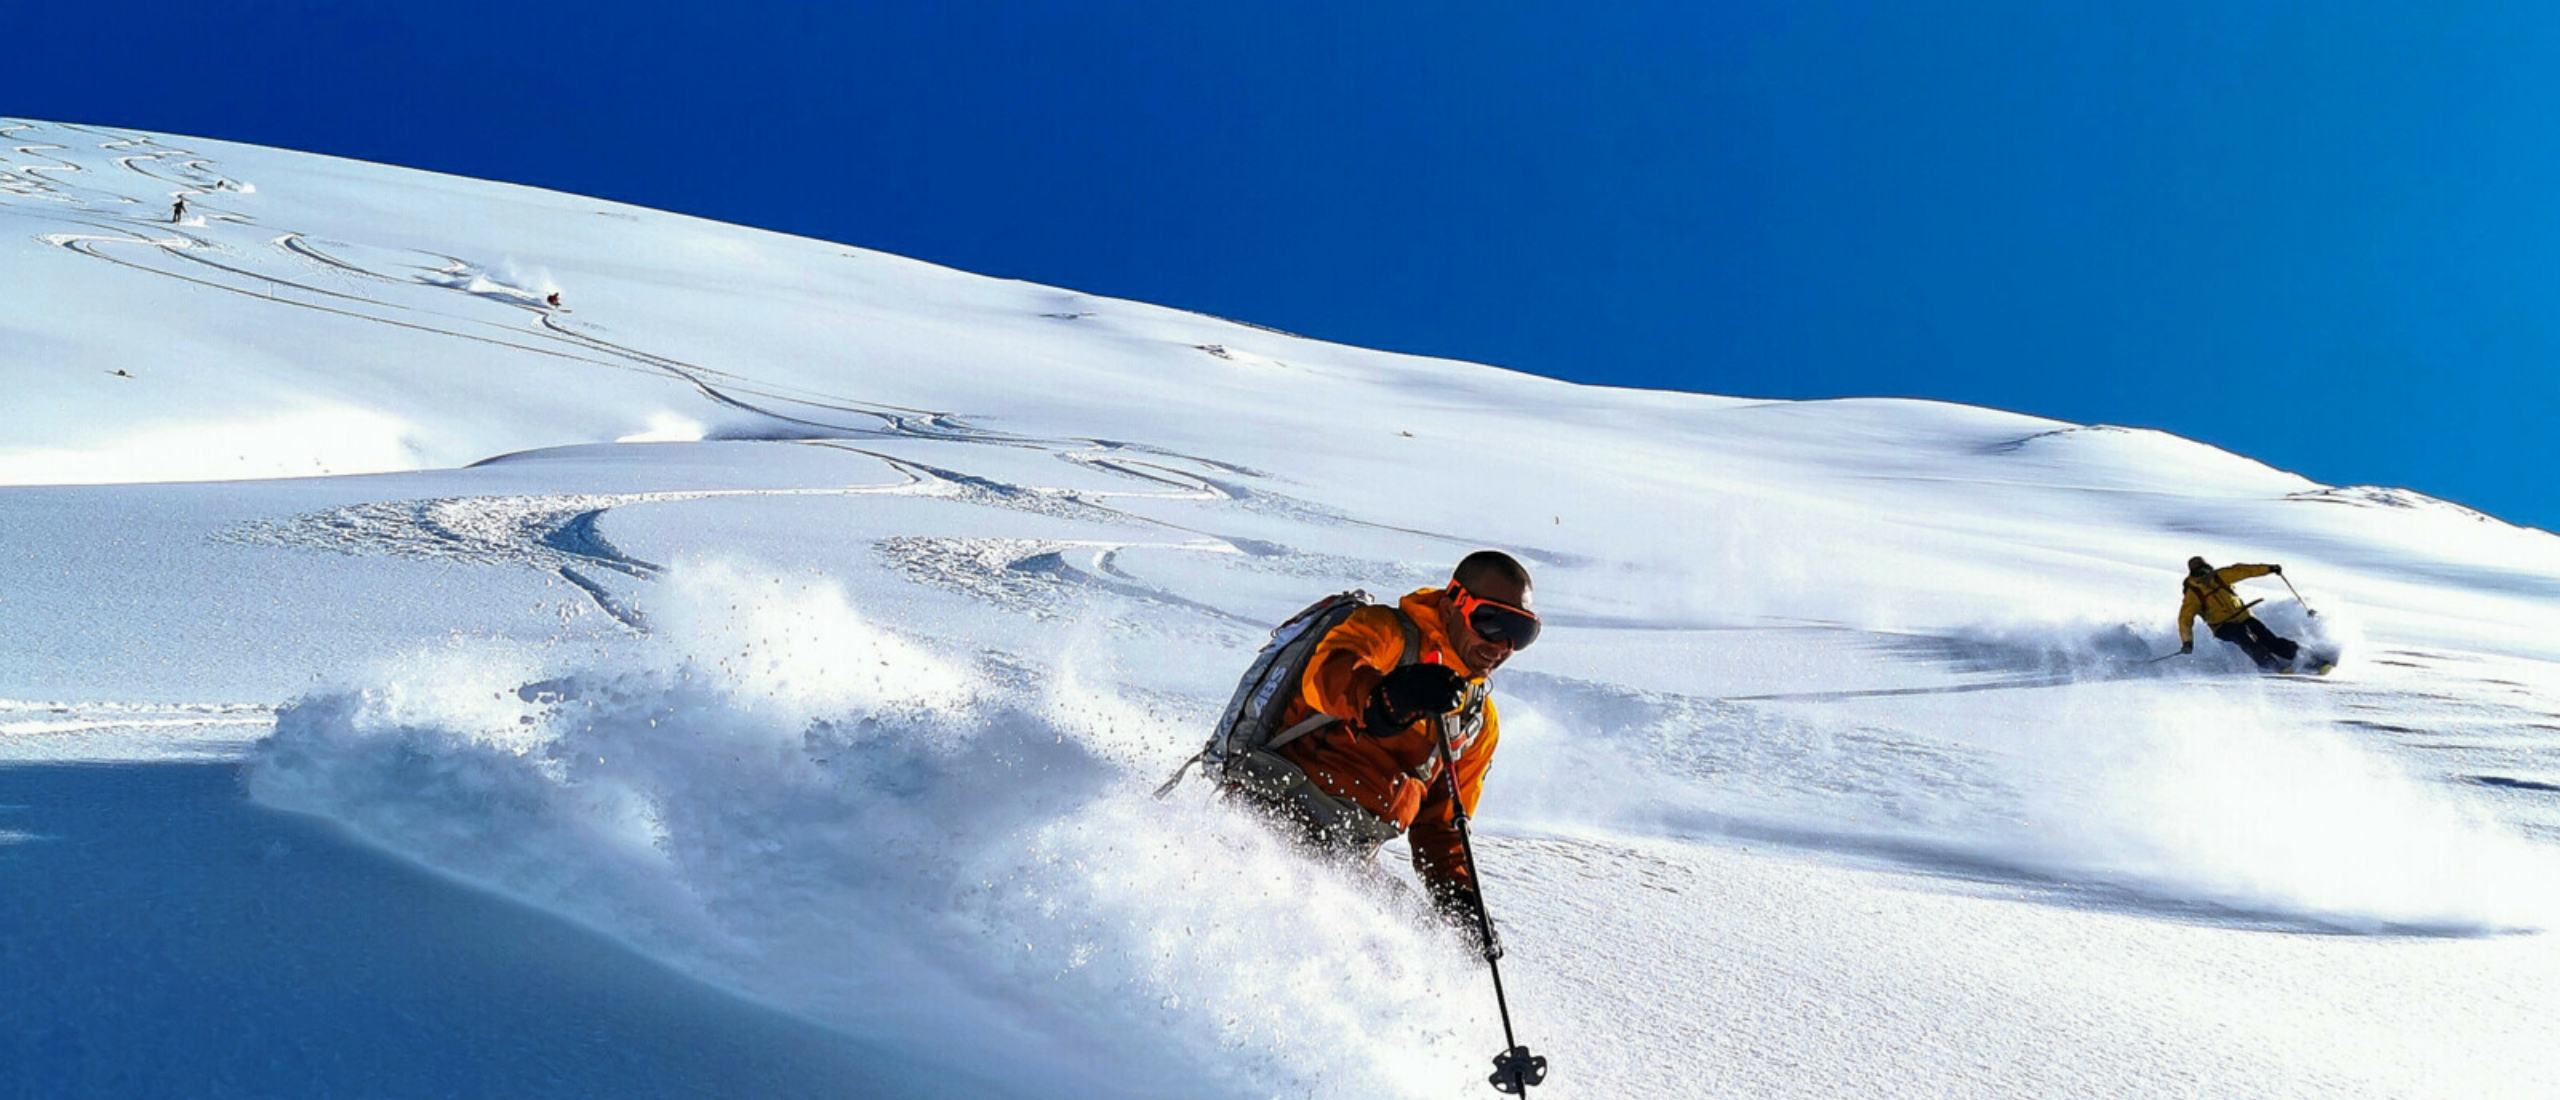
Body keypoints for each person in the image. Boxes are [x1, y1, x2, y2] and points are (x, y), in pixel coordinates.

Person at [1225, 550, 1539, 938]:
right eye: (1491, 622)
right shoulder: (1389, 633)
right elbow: (1327, 674)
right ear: (1450, 605)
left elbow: (1441, 827)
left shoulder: (1477, 720)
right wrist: (1388, 699)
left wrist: (1460, 899)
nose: (1503, 645)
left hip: (1348, 855)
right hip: (1269, 814)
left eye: (1521, 633)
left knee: (1425, 944)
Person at [2177, 556, 2302, 671]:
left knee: (2269, 639)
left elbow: (2244, 570)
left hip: (2244, 616)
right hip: (2222, 626)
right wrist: (2187, 642)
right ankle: (2271, 666)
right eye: (2199, 572)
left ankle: (2303, 656)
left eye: (2206, 569)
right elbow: (2185, 619)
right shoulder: (2193, 594)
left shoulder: (2220, 576)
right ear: (2193, 574)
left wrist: (2268, 569)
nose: (2205, 575)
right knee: (2244, 638)